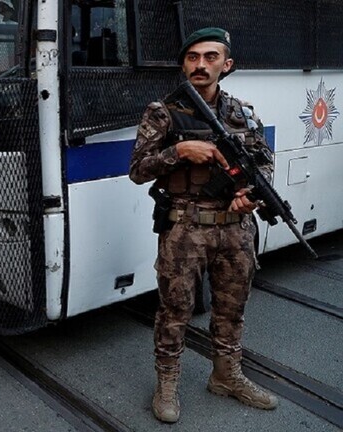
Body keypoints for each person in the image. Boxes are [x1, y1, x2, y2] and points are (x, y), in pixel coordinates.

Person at [129, 28, 279, 423]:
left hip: (236, 229)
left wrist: (253, 195)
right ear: (184, 64)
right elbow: (138, 170)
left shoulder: (243, 112)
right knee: (175, 310)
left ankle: (226, 375)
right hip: (185, 229)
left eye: (210, 57)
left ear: (226, 65)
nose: (200, 64)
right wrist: (179, 150)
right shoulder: (162, 112)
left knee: (232, 308)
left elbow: (264, 162)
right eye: (193, 57)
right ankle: (167, 382)